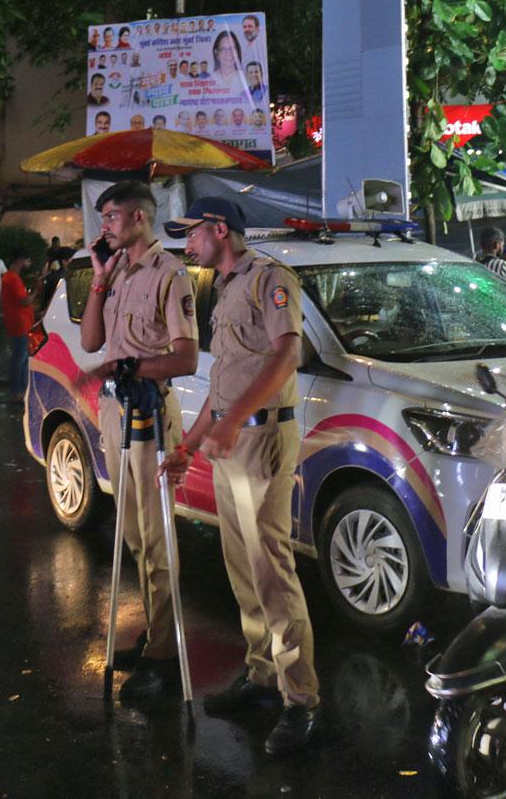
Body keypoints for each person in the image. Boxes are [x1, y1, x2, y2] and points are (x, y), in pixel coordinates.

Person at [159, 197, 321, 756]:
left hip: (261, 437)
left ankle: (301, 700)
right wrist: (188, 444)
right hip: (233, 438)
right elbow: (223, 384)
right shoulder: (225, 288)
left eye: (191, 233)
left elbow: (286, 356)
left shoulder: (269, 280)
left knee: (270, 568)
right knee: (241, 566)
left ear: (219, 229)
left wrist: (227, 424)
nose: (186, 244)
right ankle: (262, 677)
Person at [78, 180, 198, 701]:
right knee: (130, 530)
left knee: (156, 535)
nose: (103, 225)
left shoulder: (169, 274)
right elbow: (89, 340)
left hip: (148, 409)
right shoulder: (119, 272)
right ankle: (153, 635)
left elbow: (186, 357)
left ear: (139, 219)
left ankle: (163, 654)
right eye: (103, 216)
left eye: (111, 216)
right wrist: (100, 279)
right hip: (113, 409)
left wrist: (134, 368)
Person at [0, 256, 47, 400]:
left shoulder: (11, 277)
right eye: (27, 260)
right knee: (19, 359)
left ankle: (23, 389)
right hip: (20, 324)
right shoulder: (12, 278)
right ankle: (17, 390)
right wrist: (36, 292)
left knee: (23, 358)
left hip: (20, 323)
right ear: (18, 261)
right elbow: (25, 301)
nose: (29, 263)